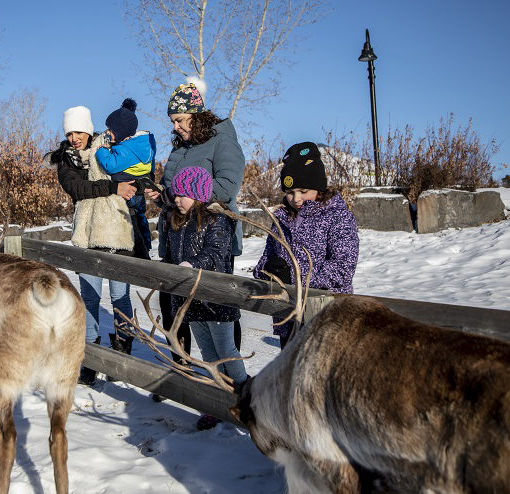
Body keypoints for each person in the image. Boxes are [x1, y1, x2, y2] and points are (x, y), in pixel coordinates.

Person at [144, 78, 246, 383]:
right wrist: (161, 195)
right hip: (178, 239)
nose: (175, 127)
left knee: (219, 312)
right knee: (181, 310)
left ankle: (233, 383)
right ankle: (190, 376)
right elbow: (176, 192)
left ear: (196, 115)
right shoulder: (179, 150)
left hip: (211, 238)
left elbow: (227, 186)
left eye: (179, 120)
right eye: (173, 122)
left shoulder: (221, 141)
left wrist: (191, 193)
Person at [46, 106, 142, 386]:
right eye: (69, 133)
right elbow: (79, 190)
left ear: (88, 130)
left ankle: (121, 355)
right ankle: (89, 359)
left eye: (78, 131)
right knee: (89, 300)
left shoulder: (109, 148)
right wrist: (113, 188)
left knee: (120, 297)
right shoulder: (66, 161)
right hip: (87, 237)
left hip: (117, 232)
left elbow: (130, 174)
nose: (74, 137)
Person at [162, 166, 246, 430]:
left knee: (226, 351)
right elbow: (172, 255)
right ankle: (219, 401)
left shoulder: (216, 219)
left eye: (182, 195)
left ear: (198, 194)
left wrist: (191, 265)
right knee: (208, 353)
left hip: (215, 297)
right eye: (175, 195)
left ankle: (246, 395)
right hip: (191, 299)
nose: (177, 200)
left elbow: (216, 252)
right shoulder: (176, 221)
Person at [253, 142, 360, 348]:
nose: (296, 199)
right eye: (290, 192)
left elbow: (343, 268)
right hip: (288, 315)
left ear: (318, 186)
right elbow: (265, 258)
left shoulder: (338, 217)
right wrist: (268, 271)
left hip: (325, 316)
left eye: (303, 190)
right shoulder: (282, 218)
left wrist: (292, 278)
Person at [95, 98, 156, 255]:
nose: (108, 132)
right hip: (139, 190)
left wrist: (101, 151)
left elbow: (110, 166)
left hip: (127, 190)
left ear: (122, 132)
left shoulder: (127, 150)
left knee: (131, 223)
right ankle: (146, 246)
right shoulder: (142, 146)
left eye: (111, 129)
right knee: (140, 219)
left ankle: (141, 252)